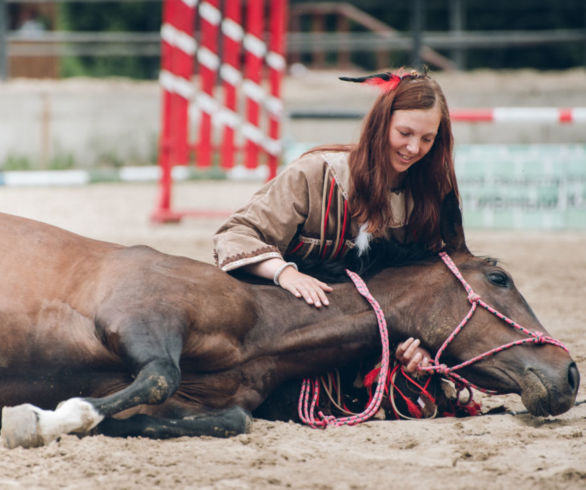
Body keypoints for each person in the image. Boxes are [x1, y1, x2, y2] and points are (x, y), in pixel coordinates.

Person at [213, 69, 460, 375]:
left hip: (373, 338)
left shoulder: (431, 195)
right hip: (286, 331)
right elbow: (234, 235)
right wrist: (285, 274)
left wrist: (421, 344)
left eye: (427, 139)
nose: (413, 148)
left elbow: (436, 281)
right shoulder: (315, 173)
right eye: (404, 133)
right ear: (380, 124)